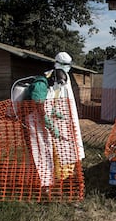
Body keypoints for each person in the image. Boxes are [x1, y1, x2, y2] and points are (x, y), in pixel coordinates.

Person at [26, 52, 85, 189]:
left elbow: (47, 103)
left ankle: (49, 179)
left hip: (41, 119)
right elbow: (39, 108)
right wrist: (50, 124)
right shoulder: (41, 84)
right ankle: (43, 183)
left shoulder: (51, 84)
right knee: (40, 150)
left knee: (48, 149)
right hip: (33, 120)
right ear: (54, 77)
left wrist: (55, 113)